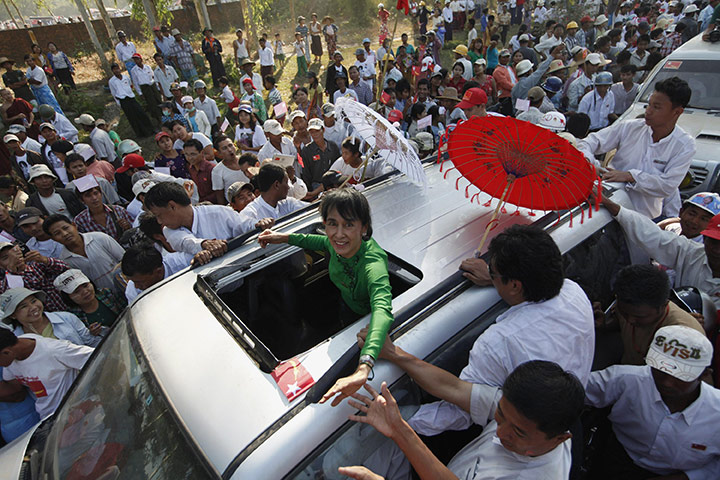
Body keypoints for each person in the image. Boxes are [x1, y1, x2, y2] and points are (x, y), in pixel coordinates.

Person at [411, 224, 595, 435]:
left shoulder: (500, 341)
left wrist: (397, 421)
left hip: (522, 447)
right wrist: (495, 280)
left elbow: (459, 411)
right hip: (569, 428)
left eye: (493, 270)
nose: (490, 271)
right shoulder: (573, 292)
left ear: (516, 286)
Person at [258, 188, 393, 405]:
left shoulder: (373, 264)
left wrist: (364, 367)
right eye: (332, 223)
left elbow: (382, 311)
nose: (338, 234)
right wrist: (280, 237)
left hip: (365, 326)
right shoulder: (334, 243)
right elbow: (316, 242)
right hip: (344, 306)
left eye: (349, 224)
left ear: (364, 227)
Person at [585, 326, 720, 479]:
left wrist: (688, 477)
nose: (667, 382)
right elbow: (576, 389)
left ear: (704, 375)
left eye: (680, 376)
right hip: (616, 464)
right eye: (661, 371)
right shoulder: (625, 380)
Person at [577, 77, 694, 219]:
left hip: (645, 218)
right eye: (649, 105)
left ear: (677, 112)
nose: (648, 111)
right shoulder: (630, 127)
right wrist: (589, 163)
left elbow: (667, 185)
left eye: (656, 107)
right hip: (606, 212)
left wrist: (630, 176)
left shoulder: (684, 145)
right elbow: (588, 142)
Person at [598, 264, 706, 366]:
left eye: (639, 317)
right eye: (624, 313)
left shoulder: (686, 336)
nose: (630, 320)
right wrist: (604, 325)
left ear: (663, 306)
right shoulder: (626, 306)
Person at [0, 328, 94, 420]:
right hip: (49, 419)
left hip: (77, 415)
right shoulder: (12, 356)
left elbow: (102, 358)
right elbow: (14, 389)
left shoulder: (55, 350)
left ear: (7, 352)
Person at [143, 182, 247, 262]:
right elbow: (186, 242)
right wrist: (204, 244)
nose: (159, 221)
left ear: (172, 206)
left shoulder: (220, 212)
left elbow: (246, 225)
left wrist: (260, 224)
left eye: (158, 215)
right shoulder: (168, 230)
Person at [43, 214, 125, 294]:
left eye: (66, 228)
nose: (65, 234)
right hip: (107, 298)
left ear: (74, 225)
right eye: (57, 233)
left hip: (127, 285)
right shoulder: (65, 260)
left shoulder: (100, 238)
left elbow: (124, 259)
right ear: (53, 239)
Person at [0, 241, 69, 311]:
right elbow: (14, 299)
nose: (13, 258)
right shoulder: (4, 285)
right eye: (5, 258)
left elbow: (66, 268)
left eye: (14, 253)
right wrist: (14, 272)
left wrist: (45, 260)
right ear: (1, 266)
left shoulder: (37, 265)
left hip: (67, 308)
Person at [238, 163, 308, 230]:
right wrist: (258, 225)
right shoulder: (250, 213)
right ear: (277, 185)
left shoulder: (288, 203)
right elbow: (243, 227)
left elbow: (310, 208)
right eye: (286, 183)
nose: (288, 187)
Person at [121, 243, 187, 303]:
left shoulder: (183, 263)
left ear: (159, 272)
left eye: (140, 282)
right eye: (133, 281)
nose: (136, 286)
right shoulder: (133, 292)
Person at [108, 63, 154, 138]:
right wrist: (119, 103)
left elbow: (130, 85)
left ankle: (150, 129)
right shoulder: (111, 81)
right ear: (112, 71)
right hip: (123, 100)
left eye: (117, 68)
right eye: (114, 69)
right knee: (132, 118)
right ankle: (140, 134)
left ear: (119, 69)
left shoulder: (126, 77)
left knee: (141, 113)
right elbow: (114, 93)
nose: (116, 70)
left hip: (131, 98)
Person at [300, 118, 341, 200]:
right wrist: (310, 190)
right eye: (312, 132)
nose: (315, 134)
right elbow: (306, 172)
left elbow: (339, 166)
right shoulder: (307, 150)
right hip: (316, 184)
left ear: (323, 130)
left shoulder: (333, 146)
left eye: (317, 131)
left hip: (334, 182)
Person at [130, 54, 163, 123]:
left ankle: (164, 115)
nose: (136, 61)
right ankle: (158, 120)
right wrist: (140, 93)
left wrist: (158, 88)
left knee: (159, 100)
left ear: (141, 59)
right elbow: (135, 83)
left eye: (137, 59)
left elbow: (153, 77)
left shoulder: (147, 67)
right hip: (145, 87)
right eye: (135, 60)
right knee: (152, 104)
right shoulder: (134, 70)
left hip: (152, 85)